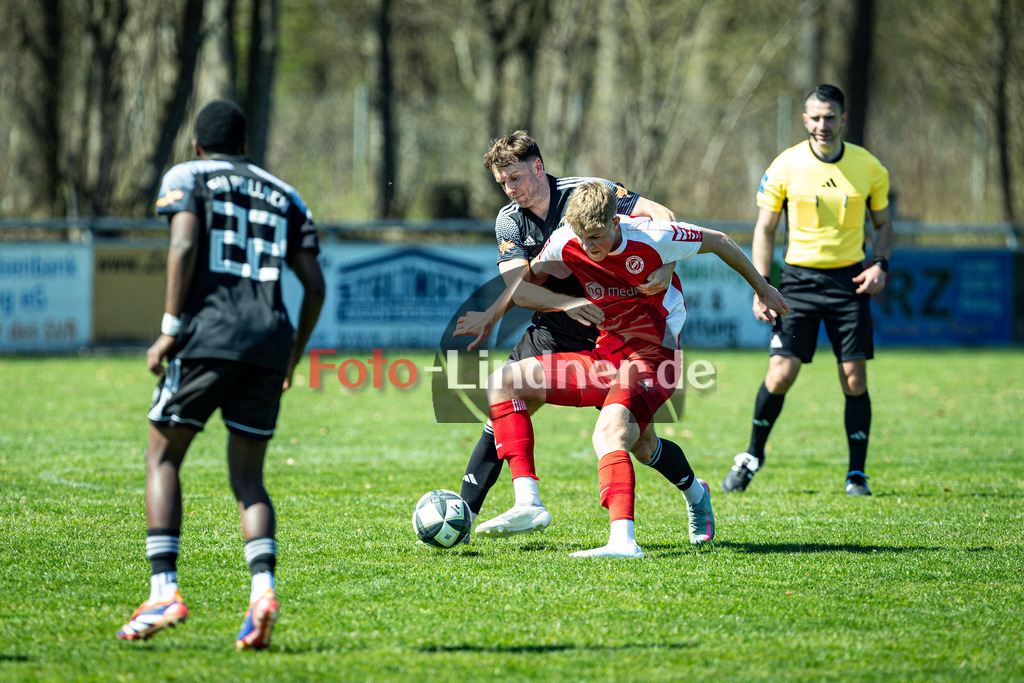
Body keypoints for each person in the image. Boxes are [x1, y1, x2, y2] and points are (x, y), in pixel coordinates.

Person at [475, 181, 788, 557]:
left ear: (615, 223)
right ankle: (529, 502)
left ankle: (623, 541)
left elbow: (719, 240)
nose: (589, 247)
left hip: (656, 357)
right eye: (582, 238)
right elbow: (523, 288)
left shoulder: (653, 235)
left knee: (609, 434)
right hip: (606, 355)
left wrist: (762, 288)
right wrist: (563, 302)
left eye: (596, 237)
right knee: (506, 383)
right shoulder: (564, 239)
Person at [116, 101, 325, 649]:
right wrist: (294, 354)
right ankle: (262, 593)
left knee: (162, 456)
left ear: (196, 145)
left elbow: (184, 243)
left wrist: (168, 327)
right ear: (246, 143)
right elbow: (315, 284)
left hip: (209, 334)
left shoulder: (187, 176)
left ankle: (164, 591)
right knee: (248, 479)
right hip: (268, 341)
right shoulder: (285, 193)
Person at [453, 130, 689, 541]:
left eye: (516, 179)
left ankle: (693, 491)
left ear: (538, 167)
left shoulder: (586, 194)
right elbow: (520, 286)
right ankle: (470, 516)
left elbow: (660, 214)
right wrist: (562, 306)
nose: (510, 190)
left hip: (613, 333)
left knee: (639, 442)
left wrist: (665, 267)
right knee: (504, 403)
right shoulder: (509, 220)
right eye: (503, 183)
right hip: (552, 329)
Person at [722, 84, 893, 496]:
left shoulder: (869, 167)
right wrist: (762, 286)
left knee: (854, 378)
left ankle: (857, 474)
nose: (822, 125)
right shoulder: (785, 166)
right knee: (780, 374)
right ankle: (751, 456)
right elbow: (765, 229)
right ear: (805, 120)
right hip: (797, 283)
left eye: (830, 117)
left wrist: (881, 265)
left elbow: (883, 226)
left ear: (843, 120)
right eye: (815, 118)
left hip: (848, 282)